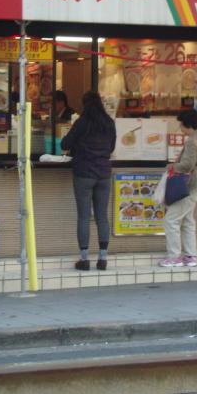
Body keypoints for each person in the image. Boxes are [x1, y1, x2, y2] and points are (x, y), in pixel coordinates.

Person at [60, 91, 116, 271]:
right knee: (102, 217)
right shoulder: (109, 123)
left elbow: (65, 144)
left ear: (85, 105)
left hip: (84, 173)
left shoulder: (81, 123)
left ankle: (84, 259)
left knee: (84, 216)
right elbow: (112, 146)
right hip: (104, 174)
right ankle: (102, 259)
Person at [160, 109, 197, 268]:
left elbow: (188, 164)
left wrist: (173, 166)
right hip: (196, 182)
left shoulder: (191, 140)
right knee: (187, 220)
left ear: (187, 124)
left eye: (181, 123)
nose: (180, 127)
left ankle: (174, 257)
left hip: (189, 184)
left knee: (171, 219)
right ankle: (190, 256)